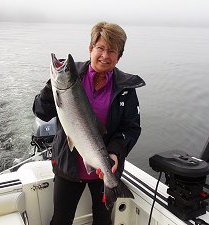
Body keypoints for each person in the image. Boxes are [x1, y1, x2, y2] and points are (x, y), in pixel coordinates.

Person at [32, 21, 145, 225]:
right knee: (60, 219)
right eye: (100, 48)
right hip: (68, 167)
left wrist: (115, 153)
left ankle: (112, 186)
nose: (105, 55)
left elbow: (131, 129)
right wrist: (50, 91)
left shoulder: (126, 88)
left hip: (106, 168)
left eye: (112, 50)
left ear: (119, 56)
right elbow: (41, 111)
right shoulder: (70, 76)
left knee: (103, 221)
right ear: (90, 48)